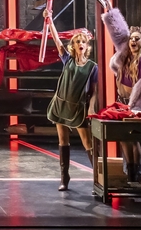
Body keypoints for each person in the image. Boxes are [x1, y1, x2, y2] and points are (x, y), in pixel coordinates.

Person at [44, 11, 97, 191]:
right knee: (63, 140)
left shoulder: (92, 67)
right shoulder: (68, 60)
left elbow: (94, 92)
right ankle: (64, 177)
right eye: (77, 41)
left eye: (83, 41)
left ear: (87, 45)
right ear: (73, 45)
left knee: (88, 143)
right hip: (61, 105)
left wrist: (91, 108)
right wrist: (50, 20)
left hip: (78, 108)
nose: (80, 43)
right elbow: (57, 40)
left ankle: (99, 177)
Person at [102, 5, 141, 182]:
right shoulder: (125, 59)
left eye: (137, 39)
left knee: (133, 138)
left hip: (136, 105)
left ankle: (137, 170)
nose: (133, 41)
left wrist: (134, 107)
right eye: (131, 38)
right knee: (122, 137)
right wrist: (109, 11)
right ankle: (130, 169)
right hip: (123, 103)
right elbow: (118, 34)